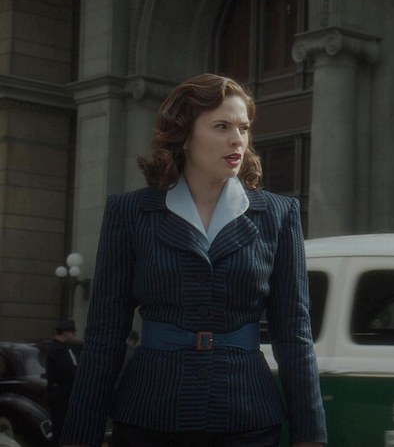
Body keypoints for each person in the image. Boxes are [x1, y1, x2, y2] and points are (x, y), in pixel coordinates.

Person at [60, 74, 327, 447]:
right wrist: (79, 436)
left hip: (246, 419)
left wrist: (311, 436)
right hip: (149, 418)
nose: (238, 139)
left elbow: (294, 334)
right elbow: (105, 334)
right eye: (221, 126)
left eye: (243, 128)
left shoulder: (279, 215)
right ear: (184, 135)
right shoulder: (131, 213)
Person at [45, 319, 79, 445]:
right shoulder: (56, 349)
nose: (74, 334)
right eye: (72, 332)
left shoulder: (64, 348)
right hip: (60, 396)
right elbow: (67, 372)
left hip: (64, 395)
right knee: (59, 428)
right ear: (64, 333)